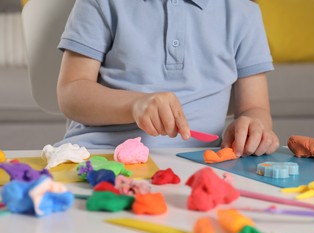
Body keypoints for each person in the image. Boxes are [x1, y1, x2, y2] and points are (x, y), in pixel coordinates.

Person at [56, 0, 279, 157]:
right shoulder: (101, 2)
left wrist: (252, 127)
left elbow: (255, 108)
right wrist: (135, 104)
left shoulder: (244, 13)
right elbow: (71, 93)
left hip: (200, 162)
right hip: (96, 154)